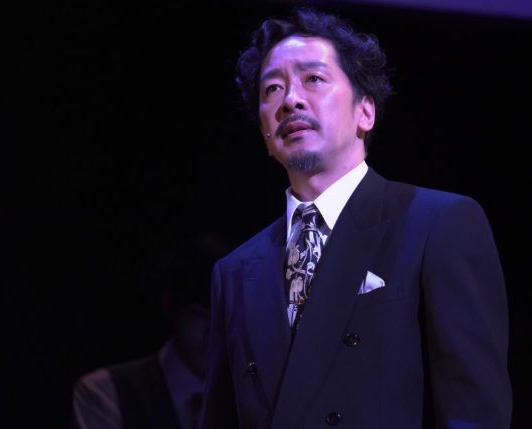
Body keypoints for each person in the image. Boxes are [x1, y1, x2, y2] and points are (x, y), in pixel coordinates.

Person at [200, 7, 511, 429]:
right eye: (272, 88)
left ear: (365, 112)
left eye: (313, 79)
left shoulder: (437, 224)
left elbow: (474, 413)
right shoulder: (235, 272)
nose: (290, 100)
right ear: (264, 134)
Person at [73, 233, 227, 429]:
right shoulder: (106, 392)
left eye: (224, 318)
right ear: (169, 307)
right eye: (199, 315)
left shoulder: (249, 387)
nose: (213, 333)